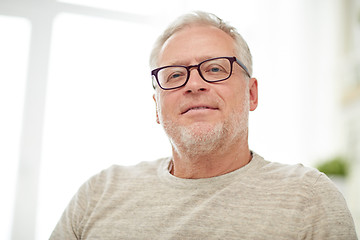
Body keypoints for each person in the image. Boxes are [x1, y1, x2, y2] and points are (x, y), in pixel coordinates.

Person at [50, 11, 357, 239]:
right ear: (156, 106)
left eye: (214, 68)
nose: (194, 84)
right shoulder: (97, 193)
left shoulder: (310, 198)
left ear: (251, 94)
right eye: (173, 75)